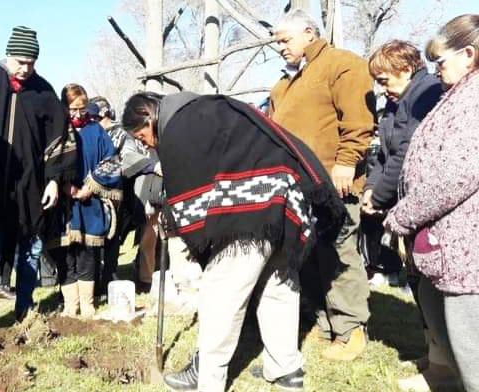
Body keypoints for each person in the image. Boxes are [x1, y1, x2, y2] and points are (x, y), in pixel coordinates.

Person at [123, 91, 345, 392]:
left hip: (250, 212)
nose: (145, 143)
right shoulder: (207, 108)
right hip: (284, 204)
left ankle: (207, 378)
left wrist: (172, 219)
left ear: (149, 117)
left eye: (141, 135)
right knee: (277, 284)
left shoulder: (178, 126)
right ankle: (286, 369)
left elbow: (188, 192)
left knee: (221, 293)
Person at [0, 26, 76, 323]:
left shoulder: (44, 92)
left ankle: (25, 311)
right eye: (20, 61)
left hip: (30, 190)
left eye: (31, 63)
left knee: (30, 252)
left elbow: (60, 139)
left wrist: (55, 180)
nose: (25, 68)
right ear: (8, 55)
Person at [269, 9, 375, 361]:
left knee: (339, 253)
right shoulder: (282, 85)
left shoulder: (342, 64)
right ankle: (326, 323)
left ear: (310, 33)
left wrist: (346, 162)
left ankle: (350, 330)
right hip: (297, 187)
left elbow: (358, 120)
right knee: (311, 254)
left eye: (285, 40)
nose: (280, 48)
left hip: (334, 182)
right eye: (277, 42)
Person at [384, 14, 479, 392]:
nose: (436, 70)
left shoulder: (474, 101)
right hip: (452, 247)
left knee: (473, 351)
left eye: (441, 61)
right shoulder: (460, 95)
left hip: (468, 251)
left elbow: (458, 174)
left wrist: (402, 217)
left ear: (469, 53)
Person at [362, 40, 444, 286]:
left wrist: (379, 197)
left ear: (406, 70)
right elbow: (384, 155)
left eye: (384, 80)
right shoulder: (394, 103)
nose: (381, 88)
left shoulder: (428, 94)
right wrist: (370, 188)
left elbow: (408, 151)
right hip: (401, 202)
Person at [45, 85, 121, 318]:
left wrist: (91, 185)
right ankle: (71, 304)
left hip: (90, 202)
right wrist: (60, 182)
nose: (78, 114)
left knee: (88, 253)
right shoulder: (55, 129)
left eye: (81, 109)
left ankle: (87, 303)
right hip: (63, 206)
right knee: (66, 254)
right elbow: (46, 159)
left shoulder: (96, 130)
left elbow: (112, 160)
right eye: (72, 109)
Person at [88, 96, 152, 298]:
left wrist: (109, 174)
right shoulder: (92, 132)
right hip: (93, 193)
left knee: (113, 239)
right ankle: (95, 281)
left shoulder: (122, 134)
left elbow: (130, 160)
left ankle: (108, 278)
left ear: (104, 113)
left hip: (118, 193)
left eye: (94, 115)